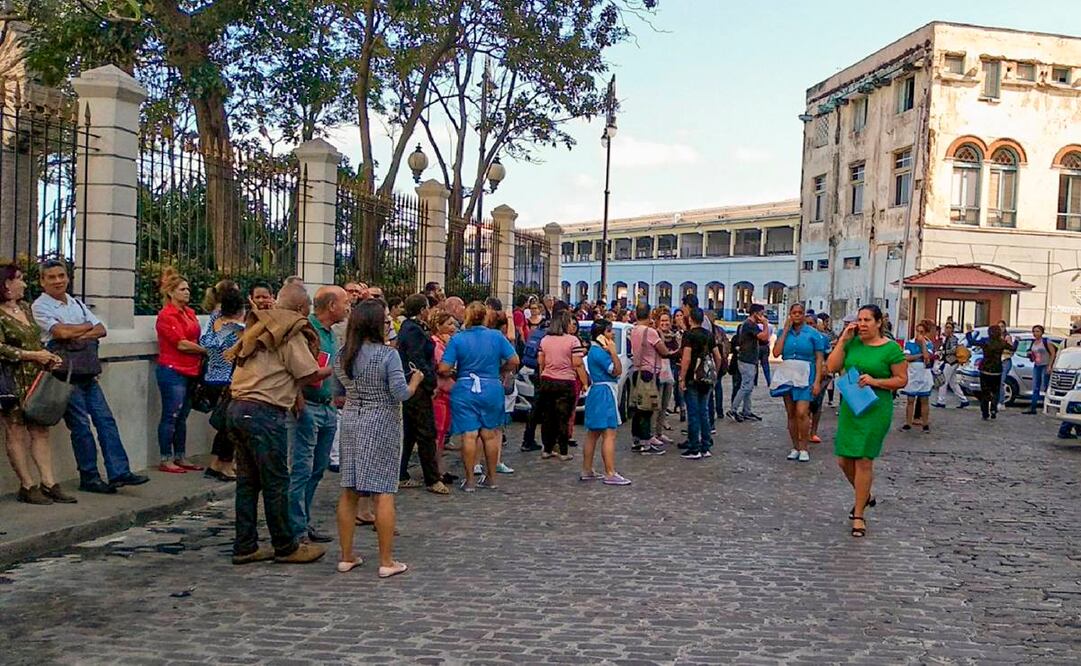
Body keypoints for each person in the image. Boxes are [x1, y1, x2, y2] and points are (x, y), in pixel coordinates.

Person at [225, 284, 333, 565]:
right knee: (276, 483)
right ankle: (286, 546)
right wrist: (333, 368)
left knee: (248, 483)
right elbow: (307, 372)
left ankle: (245, 545)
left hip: (238, 407)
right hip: (264, 411)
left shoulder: (260, 325)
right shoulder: (289, 331)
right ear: (300, 308)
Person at [32, 260, 148, 494]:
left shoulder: (75, 303)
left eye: (61, 275)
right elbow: (60, 332)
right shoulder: (40, 306)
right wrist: (83, 330)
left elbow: (101, 329)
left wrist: (76, 333)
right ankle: (89, 476)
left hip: (87, 372)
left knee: (105, 420)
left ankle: (119, 472)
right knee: (81, 426)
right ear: (42, 281)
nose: (57, 281)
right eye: (51, 277)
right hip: (65, 376)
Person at [334, 299, 424, 577]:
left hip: (352, 418)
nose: (389, 323)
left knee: (349, 487)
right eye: (385, 319)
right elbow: (401, 393)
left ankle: (346, 555)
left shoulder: (342, 354)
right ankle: (386, 560)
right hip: (381, 420)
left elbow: (338, 390)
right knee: (383, 490)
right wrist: (416, 380)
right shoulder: (387, 356)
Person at [826, 305, 908, 538]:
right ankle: (865, 494)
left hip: (875, 408)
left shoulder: (891, 349)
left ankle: (859, 514)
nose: (862, 324)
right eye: (859, 319)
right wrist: (843, 339)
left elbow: (901, 380)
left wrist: (875, 381)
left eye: (867, 320)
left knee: (863, 459)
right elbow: (831, 367)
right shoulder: (852, 343)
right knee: (844, 460)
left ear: (879, 322)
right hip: (851, 406)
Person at [0, 264, 74, 505]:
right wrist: (31, 356)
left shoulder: (24, 308)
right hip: (11, 380)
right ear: (6, 285)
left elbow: (36, 338)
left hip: (35, 377)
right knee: (15, 430)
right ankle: (27, 484)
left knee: (40, 429)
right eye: (19, 279)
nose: (23, 283)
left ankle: (49, 482)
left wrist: (46, 355)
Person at [289, 285, 350, 545]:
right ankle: (295, 527)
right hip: (308, 406)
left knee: (317, 469)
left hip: (327, 406)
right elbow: (300, 370)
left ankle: (304, 520)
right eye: (345, 302)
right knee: (301, 469)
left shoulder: (330, 333)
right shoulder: (306, 330)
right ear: (331, 306)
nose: (348, 307)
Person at [438, 301, 518, 492]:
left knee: (469, 434)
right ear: (485, 317)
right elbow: (514, 360)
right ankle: (491, 478)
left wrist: (455, 372)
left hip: (465, 386)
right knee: (489, 434)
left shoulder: (458, 339)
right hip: (491, 386)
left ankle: (470, 480)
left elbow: (444, 367)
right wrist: (500, 370)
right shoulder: (496, 336)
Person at [154, 267, 207, 474]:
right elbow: (181, 343)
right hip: (172, 369)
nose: (187, 292)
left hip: (191, 369)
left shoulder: (190, 313)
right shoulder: (167, 316)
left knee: (182, 415)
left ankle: (180, 455)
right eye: (182, 289)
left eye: (187, 289)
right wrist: (205, 350)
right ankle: (166, 457)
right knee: (171, 414)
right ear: (171, 292)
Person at [397, 294, 448, 494]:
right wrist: (430, 381)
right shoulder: (413, 331)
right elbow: (417, 358)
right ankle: (432, 478)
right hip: (417, 386)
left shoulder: (412, 329)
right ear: (421, 310)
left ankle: (401, 472)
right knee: (426, 432)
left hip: (415, 384)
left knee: (410, 433)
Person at [199, 281, 246, 481]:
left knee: (228, 427)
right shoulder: (231, 326)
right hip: (224, 378)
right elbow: (211, 343)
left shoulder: (218, 320)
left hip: (220, 376)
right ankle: (223, 465)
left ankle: (219, 463)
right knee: (229, 427)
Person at [771, 303, 827, 462]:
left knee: (802, 411)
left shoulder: (813, 334)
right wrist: (785, 330)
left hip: (806, 373)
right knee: (791, 412)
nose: (797, 315)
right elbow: (776, 353)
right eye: (794, 313)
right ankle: (795, 446)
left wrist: (817, 382)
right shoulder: (784, 332)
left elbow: (819, 358)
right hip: (788, 373)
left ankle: (804, 447)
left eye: (800, 313)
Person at [581, 319, 630, 485]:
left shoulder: (593, 352)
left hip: (596, 391)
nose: (612, 335)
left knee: (593, 433)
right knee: (609, 433)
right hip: (605, 392)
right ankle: (610, 471)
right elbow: (617, 370)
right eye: (609, 332)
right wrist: (614, 353)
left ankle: (587, 469)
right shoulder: (600, 353)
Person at [537, 310, 589, 461]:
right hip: (566, 382)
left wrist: (542, 378)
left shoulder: (545, 340)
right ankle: (563, 451)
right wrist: (585, 382)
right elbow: (578, 364)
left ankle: (547, 448)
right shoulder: (572, 341)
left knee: (548, 416)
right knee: (564, 417)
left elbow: (541, 362)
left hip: (547, 380)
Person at [678, 307, 723, 460]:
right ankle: (706, 445)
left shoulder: (689, 335)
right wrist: (714, 373)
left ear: (690, 319)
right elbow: (718, 356)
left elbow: (687, 358)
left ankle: (694, 447)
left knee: (693, 412)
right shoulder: (709, 335)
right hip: (707, 379)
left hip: (692, 378)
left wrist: (682, 378)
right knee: (704, 411)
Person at [628, 302, 670, 454]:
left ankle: (636, 439)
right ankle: (646, 442)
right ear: (650, 314)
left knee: (638, 408)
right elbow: (663, 351)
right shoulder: (650, 332)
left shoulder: (633, 330)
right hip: (649, 373)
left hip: (637, 370)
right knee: (647, 408)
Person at [429, 309, 458, 485]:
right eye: (448, 324)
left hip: (447, 391)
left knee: (442, 432)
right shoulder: (436, 344)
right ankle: (435, 470)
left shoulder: (445, 343)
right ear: (438, 326)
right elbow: (443, 368)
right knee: (438, 433)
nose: (452, 327)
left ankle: (439, 467)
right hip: (439, 391)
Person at [729, 304, 769, 422]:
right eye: (761, 313)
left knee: (749, 386)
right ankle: (733, 409)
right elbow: (764, 337)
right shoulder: (749, 325)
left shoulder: (750, 325)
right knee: (746, 386)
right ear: (755, 313)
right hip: (747, 359)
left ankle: (746, 410)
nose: (762, 316)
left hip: (750, 359)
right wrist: (765, 324)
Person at [900, 322, 934, 433]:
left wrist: (922, 344)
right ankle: (908, 422)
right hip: (913, 372)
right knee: (910, 399)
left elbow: (927, 357)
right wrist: (919, 355)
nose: (919, 334)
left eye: (921, 332)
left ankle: (925, 423)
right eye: (917, 331)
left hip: (924, 373)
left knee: (924, 399)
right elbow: (907, 357)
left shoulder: (928, 344)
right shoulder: (909, 343)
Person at [974, 325, 1010, 421]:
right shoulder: (1002, 343)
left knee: (985, 392)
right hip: (997, 369)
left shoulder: (985, 341)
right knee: (996, 391)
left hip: (985, 369)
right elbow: (1013, 348)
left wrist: (970, 333)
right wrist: (1017, 341)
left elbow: (972, 341)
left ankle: (985, 412)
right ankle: (993, 409)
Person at [651, 307, 676, 443]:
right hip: (658, 373)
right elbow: (665, 351)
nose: (665, 323)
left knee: (665, 404)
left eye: (667, 320)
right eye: (662, 321)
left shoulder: (673, 336)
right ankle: (653, 433)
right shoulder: (655, 334)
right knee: (657, 405)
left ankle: (659, 432)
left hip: (669, 373)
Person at [932, 322, 969, 409]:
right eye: (946, 327)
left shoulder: (952, 339)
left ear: (952, 329)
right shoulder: (947, 338)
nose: (947, 329)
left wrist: (942, 352)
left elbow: (953, 350)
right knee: (953, 383)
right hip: (950, 362)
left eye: (949, 327)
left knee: (943, 381)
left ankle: (941, 401)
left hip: (951, 362)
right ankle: (964, 400)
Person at [1024, 325, 1057, 415]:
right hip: (1037, 365)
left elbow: (1053, 353)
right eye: (1034, 331)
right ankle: (1033, 407)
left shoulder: (1046, 342)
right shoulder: (1033, 343)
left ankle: (1047, 406)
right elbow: (1033, 355)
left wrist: (1050, 365)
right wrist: (1030, 356)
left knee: (1046, 386)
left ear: (1042, 332)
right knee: (1035, 386)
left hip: (1045, 365)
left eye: (1038, 331)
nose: (1035, 333)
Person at [997, 319, 1015, 406]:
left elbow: (1011, 350)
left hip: (1005, 360)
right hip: (998, 361)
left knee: (1001, 381)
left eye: (1002, 327)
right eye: (999, 327)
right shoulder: (996, 337)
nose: (1000, 328)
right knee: (997, 381)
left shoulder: (1007, 337)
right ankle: (997, 400)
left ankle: (1001, 402)